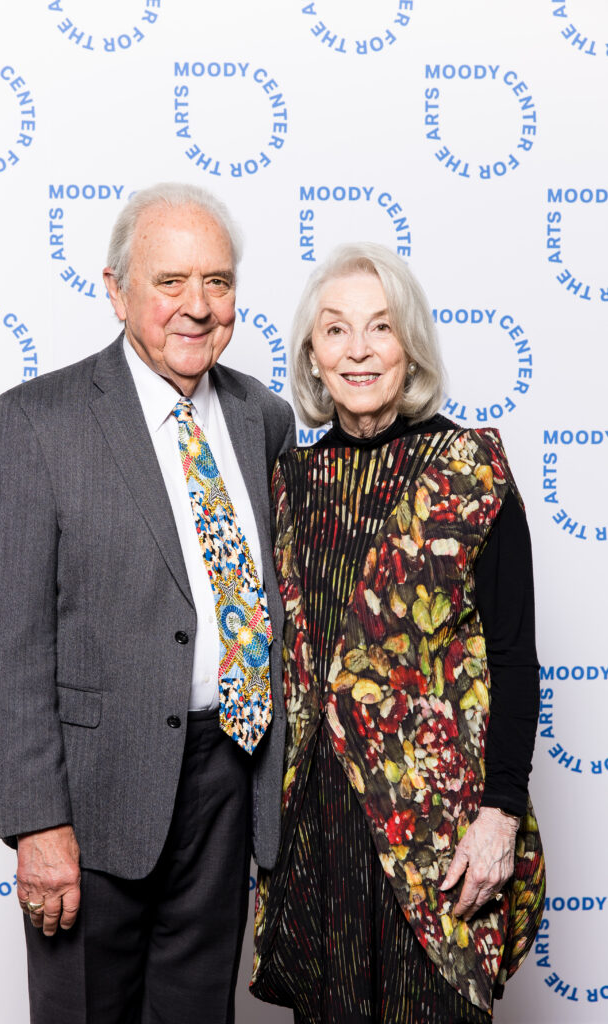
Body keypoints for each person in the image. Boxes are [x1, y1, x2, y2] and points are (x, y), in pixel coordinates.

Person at [0, 182, 295, 1024]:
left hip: (230, 776)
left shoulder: (265, 417)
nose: (198, 307)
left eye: (218, 282)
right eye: (170, 282)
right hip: (92, 796)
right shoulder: (38, 422)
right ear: (115, 290)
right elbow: (10, 644)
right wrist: (37, 824)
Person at [250, 243, 545, 1022]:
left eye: (378, 328)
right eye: (335, 330)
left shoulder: (468, 468)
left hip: (438, 826)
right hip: (318, 824)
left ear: (407, 344)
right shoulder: (288, 483)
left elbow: (515, 658)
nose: (357, 350)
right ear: (311, 355)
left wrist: (500, 814)